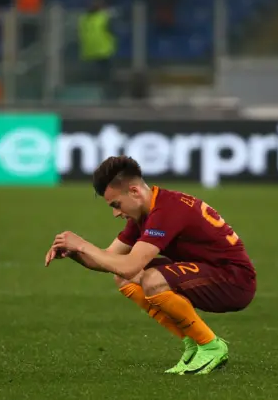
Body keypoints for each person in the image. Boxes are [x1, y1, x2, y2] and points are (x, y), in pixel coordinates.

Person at [45, 156, 257, 374]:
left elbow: (129, 265)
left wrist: (82, 244)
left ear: (135, 192)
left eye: (116, 205)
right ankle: (194, 343)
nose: (116, 213)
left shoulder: (165, 211)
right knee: (124, 278)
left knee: (151, 278)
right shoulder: (145, 211)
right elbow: (109, 259)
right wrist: (74, 252)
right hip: (210, 271)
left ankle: (210, 346)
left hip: (234, 280)